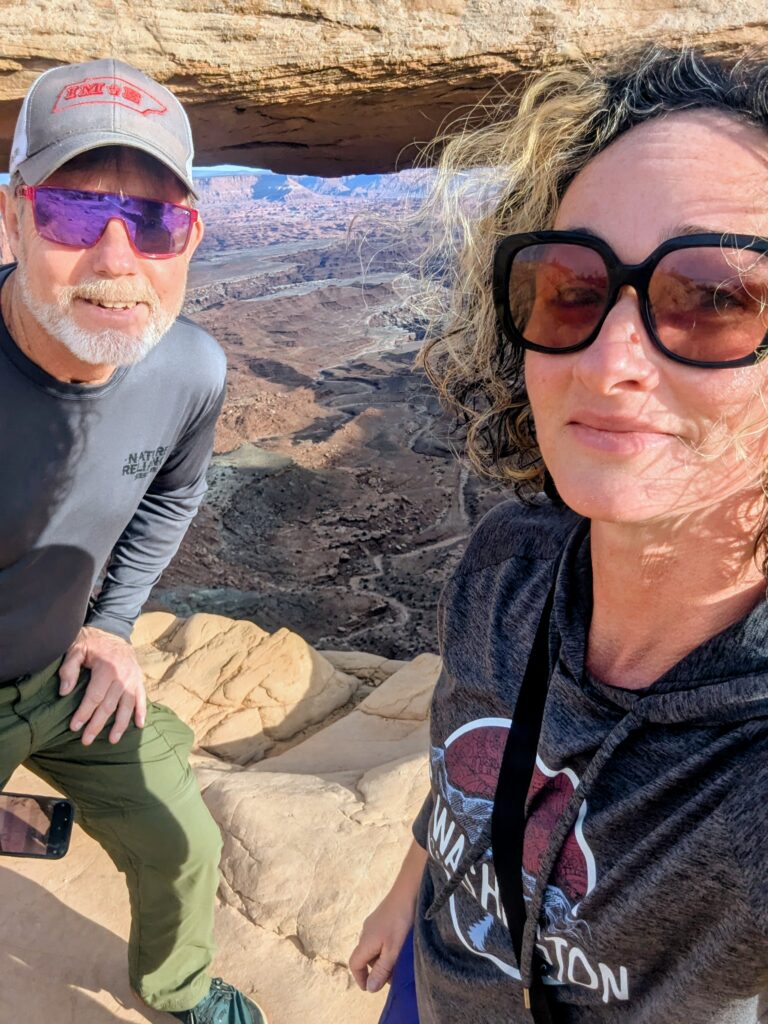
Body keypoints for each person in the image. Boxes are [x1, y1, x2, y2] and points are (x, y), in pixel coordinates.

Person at [350, 45, 768, 1023]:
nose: (609, 359)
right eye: (573, 288)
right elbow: (468, 762)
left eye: (716, 298)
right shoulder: (509, 564)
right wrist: (405, 901)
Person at [0, 58, 267, 1023]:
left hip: (63, 684)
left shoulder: (190, 369)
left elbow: (173, 495)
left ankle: (180, 991)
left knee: (181, 839)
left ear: (189, 238)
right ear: (12, 216)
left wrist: (111, 624)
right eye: (74, 213)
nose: (118, 260)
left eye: (154, 222)